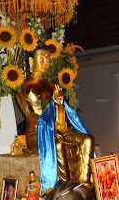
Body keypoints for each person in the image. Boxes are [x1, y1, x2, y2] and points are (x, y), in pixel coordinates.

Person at [16, 47, 94, 191]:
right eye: (42, 58)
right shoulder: (23, 87)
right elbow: (30, 115)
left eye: (48, 59)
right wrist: (51, 128)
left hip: (57, 129)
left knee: (88, 139)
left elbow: (60, 114)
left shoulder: (53, 86)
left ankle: (84, 182)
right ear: (31, 61)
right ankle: (63, 187)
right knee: (58, 144)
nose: (46, 62)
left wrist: (59, 105)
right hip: (37, 133)